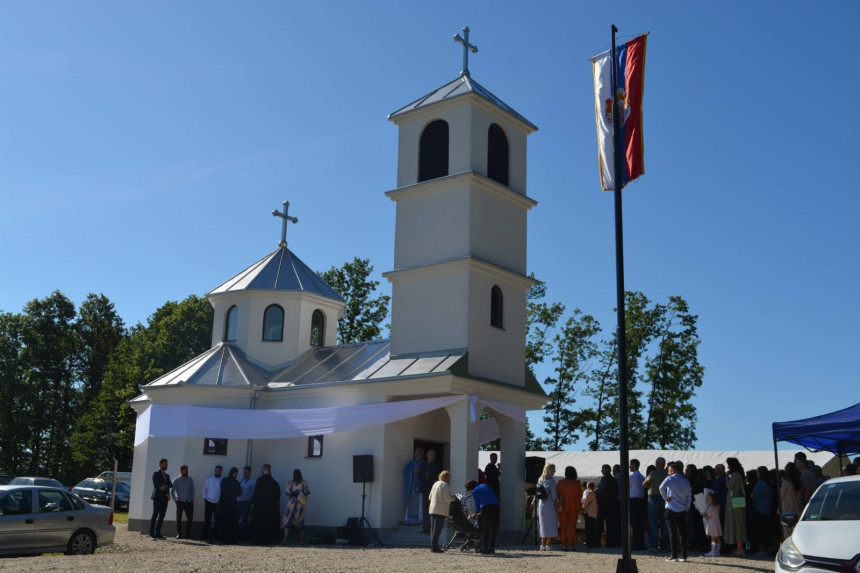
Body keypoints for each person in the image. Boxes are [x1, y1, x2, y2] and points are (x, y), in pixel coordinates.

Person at [659, 461, 692, 563]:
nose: (668, 473)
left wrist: (666, 498)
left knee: (672, 533)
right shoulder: (686, 481)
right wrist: (686, 507)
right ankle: (684, 556)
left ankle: (674, 555)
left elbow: (661, 488)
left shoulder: (670, 478)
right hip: (682, 509)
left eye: (669, 471)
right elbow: (689, 496)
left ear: (672, 471)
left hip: (671, 508)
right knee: (683, 533)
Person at [465, 479, 500, 554]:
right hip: (496, 506)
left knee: (485, 528)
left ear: (471, 487)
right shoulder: (485, 485)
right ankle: (492, 547)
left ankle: (484, 547)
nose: (470, 491)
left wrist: (475, 513)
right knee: (494, 528)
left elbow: (477, 504)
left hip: (485, 508)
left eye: (469, 489)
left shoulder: (475, 491)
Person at [643, 456, 669, 553]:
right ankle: (664, 546)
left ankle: (653, 546)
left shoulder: (653, 473)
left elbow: (645, 483)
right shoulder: (667, 474)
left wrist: (650, 488)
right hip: (664, 499)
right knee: (664, 524)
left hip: (653, 498)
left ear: (657, 464)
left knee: (653, 523)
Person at [252, 464, 281, 545]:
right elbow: (277, 496)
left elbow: (256, 493)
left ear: (263, 469)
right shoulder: (274, 482)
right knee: (269, 525)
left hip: (260, 507)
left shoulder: (260, 480)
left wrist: (254, 504)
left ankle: (258, 540)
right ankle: (269, 540)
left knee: (259, 524)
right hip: (270, 508)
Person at [210, 466, 241, 544]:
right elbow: (239, 493)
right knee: (230, 522)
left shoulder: (223, 480)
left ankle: (214, 538)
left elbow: (222, 490)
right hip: (232, 504)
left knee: (219, 521)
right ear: (235, 473)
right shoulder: (236, 482)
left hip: (222, 503)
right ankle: (228, 539)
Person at [723, 457, 747, 557]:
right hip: (737, 503)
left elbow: (729, 486)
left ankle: (740, 548)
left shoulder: (735, 475)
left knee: (736, 524)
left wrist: (727, 478)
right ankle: (739, 548)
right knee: (738, 524)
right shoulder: (739, 474)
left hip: (734, 504)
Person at [428, 470, 456, 553]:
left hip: (432, 509)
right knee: (438, 529)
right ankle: (435, 548)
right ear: (446, 477)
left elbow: (430, 497)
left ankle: (433, 546)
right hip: (440, 510)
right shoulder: (445, 485)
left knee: (433, 529)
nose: (449, 479)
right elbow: (447, 498)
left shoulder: (435, 484)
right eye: (449, 477)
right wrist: (454, 497)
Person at [557, 466, 583, 552]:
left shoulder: (561, 482)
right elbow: (581, 495)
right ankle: (572, 545)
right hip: (574, 507)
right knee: (572, 526)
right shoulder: (578, 483)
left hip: (563, 507)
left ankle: (564, 545)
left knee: (563, 526)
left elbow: (558, 494)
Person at [283, 469, 311, 544]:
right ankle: (302, 541)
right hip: (300, 503)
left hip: (291, 504)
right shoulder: (304, 483)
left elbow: (288, 495)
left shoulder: (290, 483)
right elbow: (306, 494)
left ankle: (285, 540)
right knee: (301, 522)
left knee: (288, 521)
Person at [596, 463, 620, 547]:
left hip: (603, 503)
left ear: (606, 470)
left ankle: (597, 543)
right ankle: (610, 543)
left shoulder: (604, 478)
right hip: (612, 504)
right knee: (611, 524)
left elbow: (600, 489)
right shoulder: (613, 480)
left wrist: (596, 492)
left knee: (599, 522)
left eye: (602, 469)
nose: (601, 470)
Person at [537, 463, 559, 551]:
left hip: (541, 504)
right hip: (549, 504)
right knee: (550, 524)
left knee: (543, 524)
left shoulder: (539, 480)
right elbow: (554, 495)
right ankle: (548, 544)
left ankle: (542, 545)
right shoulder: (551, 481)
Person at [420, 448, 443, 534]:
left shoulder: (438, 464)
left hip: (434, 490)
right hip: (425, 489)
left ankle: (433, 529)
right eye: (430, 454)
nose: (432, 455)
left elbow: (440, 476)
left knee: (433, 509)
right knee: (425, 509)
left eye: (433, 454)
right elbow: (421, 475)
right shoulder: (424, 464)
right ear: (427, 455)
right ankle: (425, 528)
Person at [751, 466, 772, 557]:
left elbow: (754, 496)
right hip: (766, 509)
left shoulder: (761, 484)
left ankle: (762, 549)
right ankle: (766, 549)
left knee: (760, 530)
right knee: (766, 530)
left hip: (759, 509)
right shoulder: (768, 483)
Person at [149, 458, 172, 539]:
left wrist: (165, 487)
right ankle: (151, 533)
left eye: (167, 464)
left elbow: (170, 485)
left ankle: (158, 533)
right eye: (165, 464)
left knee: (162, 516)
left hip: (165, 498)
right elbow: (158, 485)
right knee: (155, 515)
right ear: (160, 464)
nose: (166, 465)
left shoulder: (167, 475)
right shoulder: (156, 474)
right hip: (157, 497)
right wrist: (165, 486)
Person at [170, 464, 194, 539]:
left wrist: (191, 498)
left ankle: (187, 535)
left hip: (189, 502)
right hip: (180, 502)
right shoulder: (176, 480)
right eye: (185, 470)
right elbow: (172, 491)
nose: (187, 472)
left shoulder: (190, 479)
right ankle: (179, 534)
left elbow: (192, 490)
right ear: (181, 471)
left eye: (187, 470)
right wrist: (175, 500)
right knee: (179, 518)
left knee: (190, 518)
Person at [402, 448, 425, 525]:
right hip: (410, 488)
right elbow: (404, 472)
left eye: (419, 453)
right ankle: (409, 520)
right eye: (416, 453)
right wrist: (412, 472)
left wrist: (419, 472)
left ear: (422, 454)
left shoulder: (424, 463)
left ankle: (419, 520)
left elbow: (426, 474)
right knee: (410, 503)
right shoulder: (410, 463)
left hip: (420, 488)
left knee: (419, 504)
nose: (417, 454)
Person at [780, 462, 803, 538]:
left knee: (788, 534)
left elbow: (781, 496)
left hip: (787, 511)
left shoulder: (786, 482)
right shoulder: (798, 482)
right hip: (797, 510)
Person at [200, 465, 223, 541]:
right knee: (207, 520)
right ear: (214, 470)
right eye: (217, 470)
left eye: (220, 470)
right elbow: (204, 489)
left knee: (217, 521)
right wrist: (205, 499)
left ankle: (215, 537)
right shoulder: (209, 479)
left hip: (218, 504)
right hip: (209, 502)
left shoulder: (222, 481)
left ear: (221, 472)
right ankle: (204, 536)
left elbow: (223, 492)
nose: (218, 471)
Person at [629, 458, 647, 551]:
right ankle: (641, 543)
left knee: (634, 524)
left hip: (633, 501)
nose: (629, 466)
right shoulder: (642, 477)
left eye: (631, 465)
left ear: (634, 465)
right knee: (640, 523)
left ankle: (636, 543)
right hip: (641, 501)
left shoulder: (632, 477)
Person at [237, 466, 255, 541]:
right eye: (244, 472)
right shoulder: (240, 480)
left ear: (250, 472)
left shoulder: (253, 482)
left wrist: (252, 504)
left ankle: (244, 537)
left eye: (246, 472)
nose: (245, 473)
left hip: (246, 502)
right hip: (238, 502)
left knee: (244, 520)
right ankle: (235, 535)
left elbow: (254, 493)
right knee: (235, 518)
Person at [702, 491, 722, 556]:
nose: (708, 501)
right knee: (718, 537)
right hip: (717, 523)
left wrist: (703, 513)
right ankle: (717, 551)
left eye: (709, 499)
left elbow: (708, 517)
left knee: (713, 538)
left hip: (712, 524)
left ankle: (712, 551)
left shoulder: (711, 507)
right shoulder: (718, 506)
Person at [581, 481, 599, 548]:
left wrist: (582, 508)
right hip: (594, 512)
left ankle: (589, 542)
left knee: (588, 528)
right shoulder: (596, 493)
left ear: (588, 487)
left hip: (588, 512)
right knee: (592, 528)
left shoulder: (589, 493)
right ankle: (593, 542)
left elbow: (585, 503)